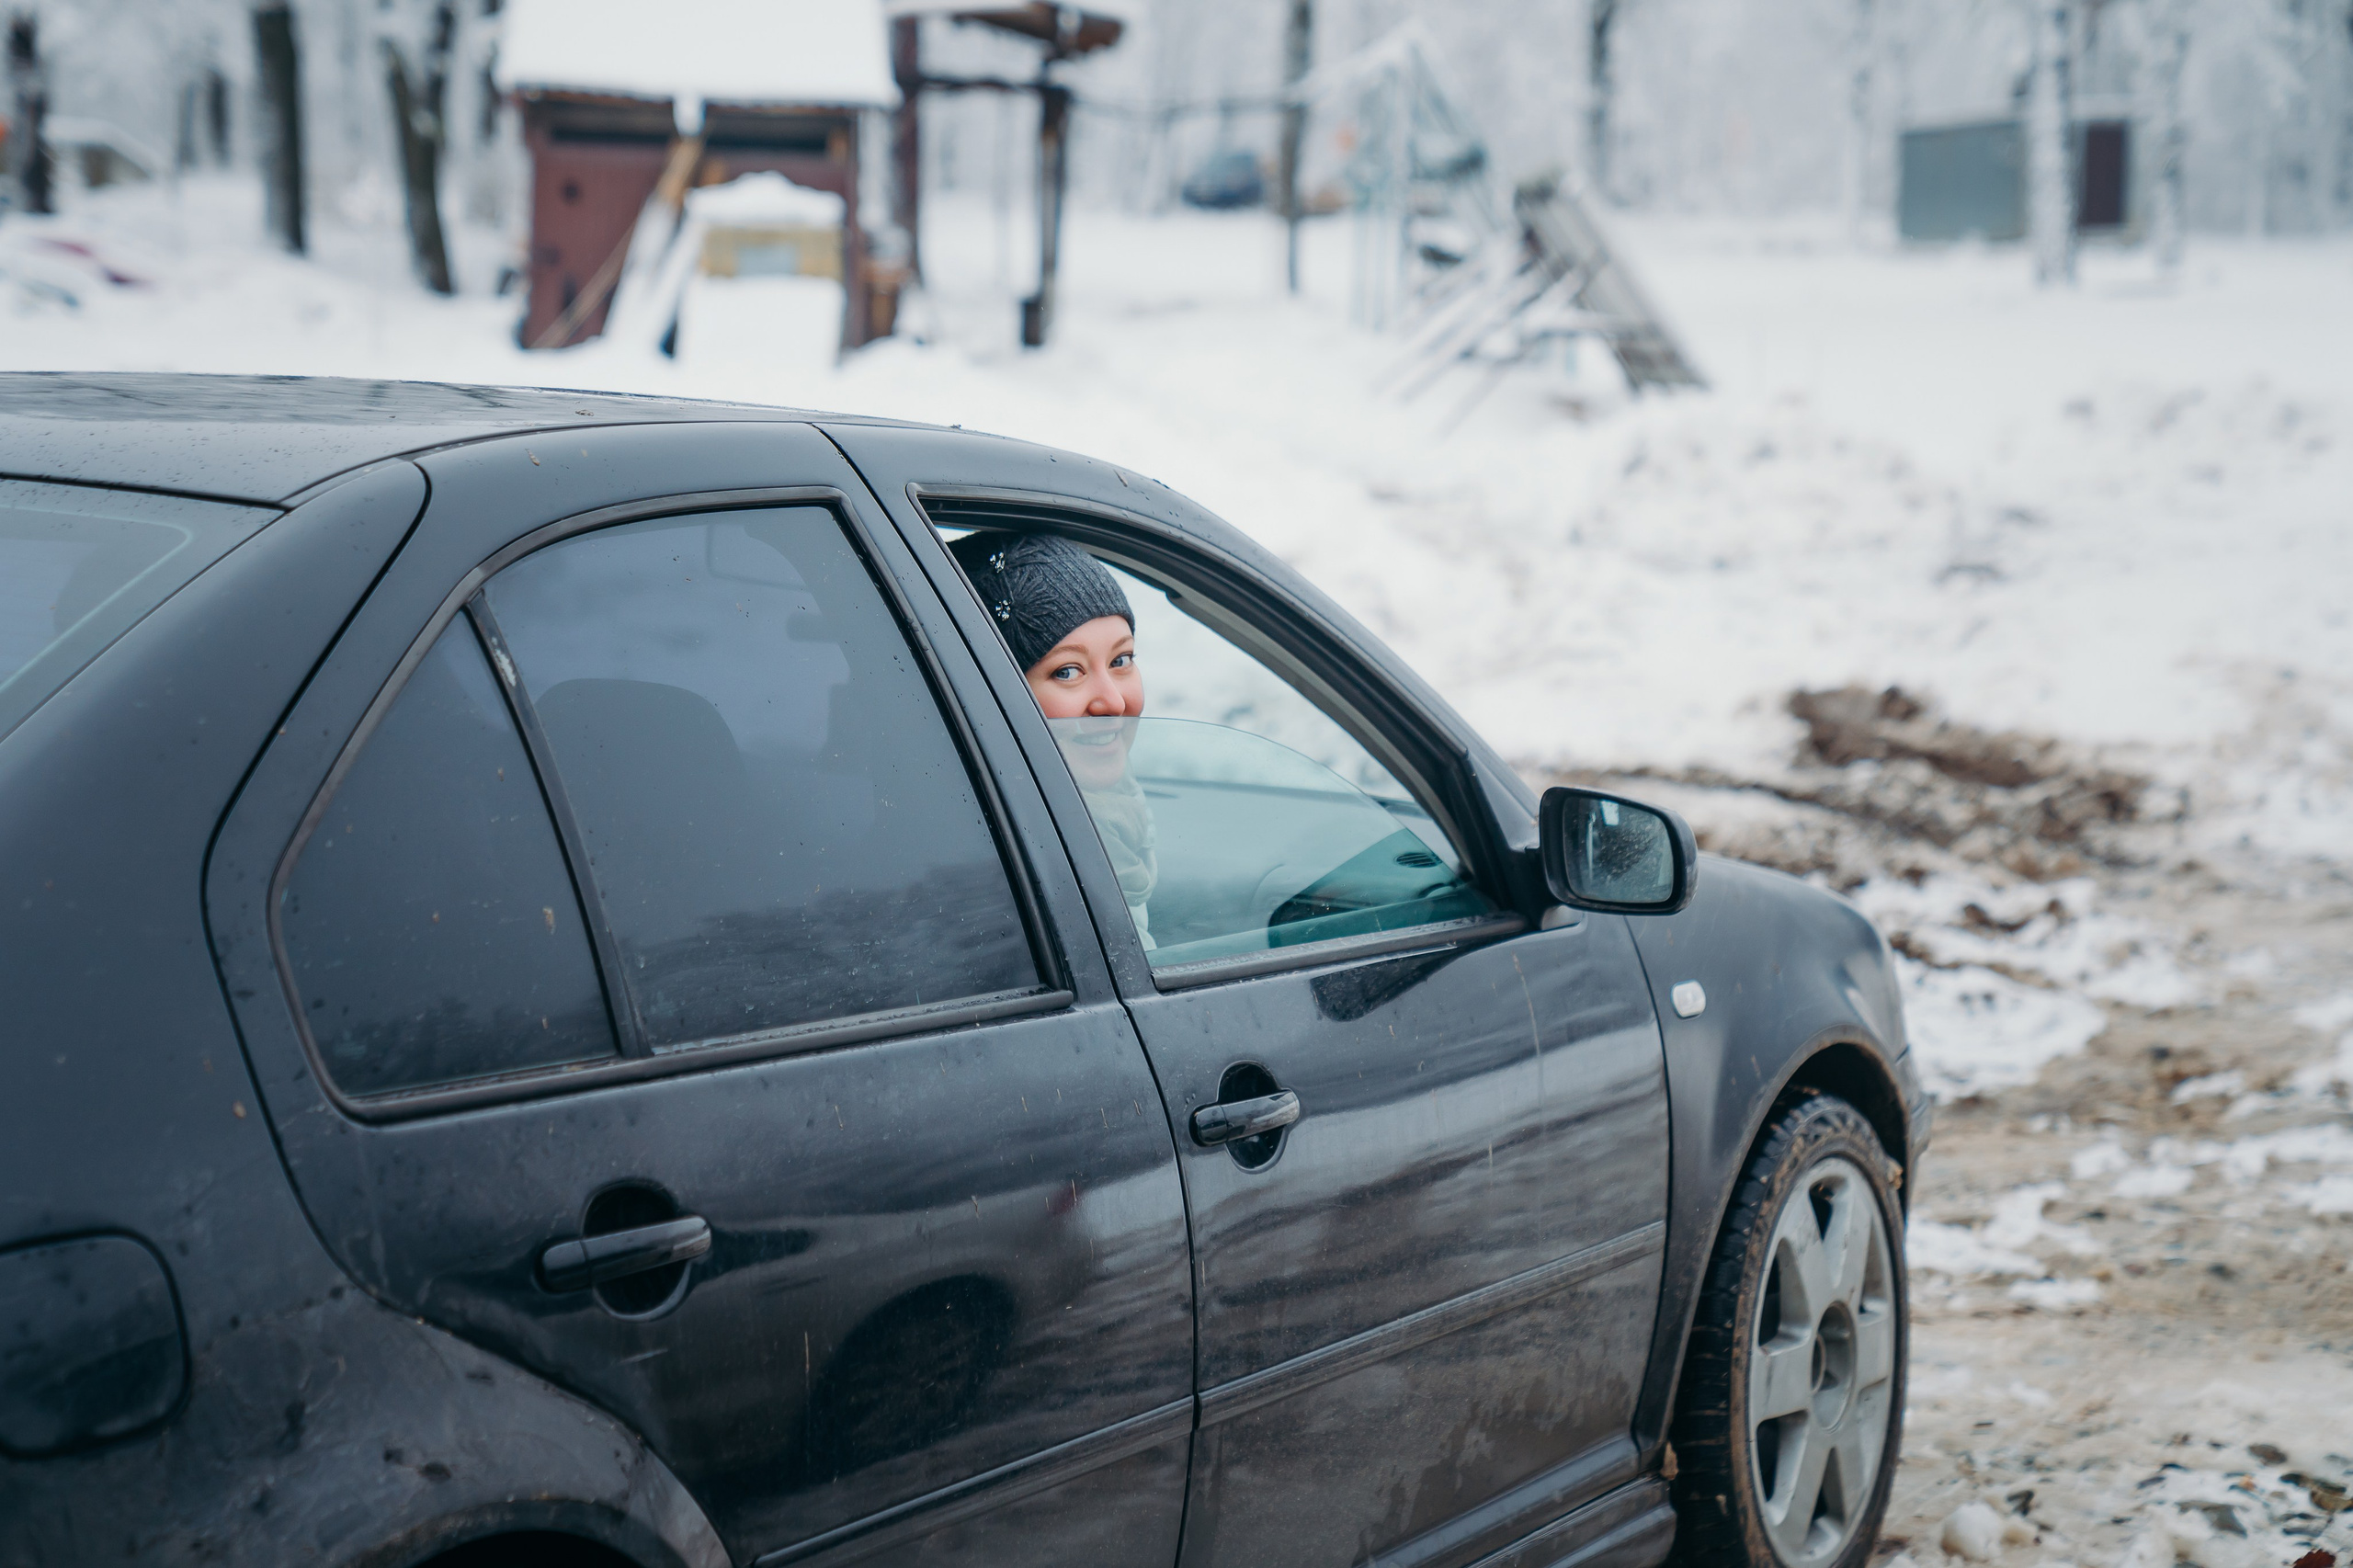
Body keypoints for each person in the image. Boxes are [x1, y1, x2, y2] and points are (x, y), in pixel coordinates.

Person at [948, 531, 1157, 946]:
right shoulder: (1007, 873)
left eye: (1121, 660)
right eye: (1067, 671)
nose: (1113, 701)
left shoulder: (1111, 820)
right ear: (995, 693)